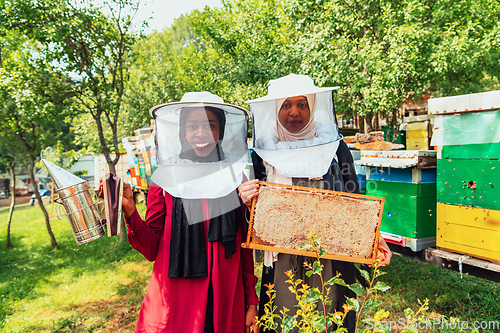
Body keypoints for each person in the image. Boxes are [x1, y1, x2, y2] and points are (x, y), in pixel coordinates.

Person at [239, 74, 391, 333]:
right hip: (282, 256)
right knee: (284, 319)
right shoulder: (263, 154)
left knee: (329, 316)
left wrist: (373, 238)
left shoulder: (336, 147)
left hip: (330, 255)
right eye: (286, 105)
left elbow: (354, 199)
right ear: (276, 110)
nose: (295, 112)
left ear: (312, 107)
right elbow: (255, 211)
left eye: (302, 104)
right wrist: (245, 197)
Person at [106, 92, 259, 333]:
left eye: (211, 125)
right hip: (177, 300)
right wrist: (130, 212)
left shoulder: (236, 177)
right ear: (181, 131)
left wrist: (251, 300)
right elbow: (151, 248)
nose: (202, 133)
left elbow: (243, 245)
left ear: (222, 130)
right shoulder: (165, 179)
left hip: (225, 298)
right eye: (192, 125)